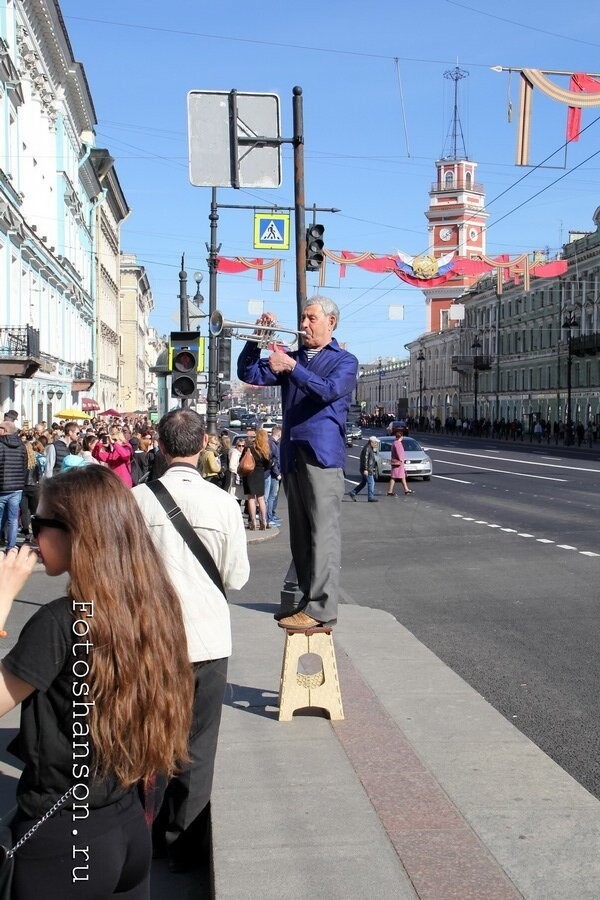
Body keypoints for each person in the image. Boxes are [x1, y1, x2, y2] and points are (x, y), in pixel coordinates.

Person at [0, 466, 193, 898]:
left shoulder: (59, 623)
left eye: (39, 523)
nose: (31, 536)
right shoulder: (150, 606)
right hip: (126, 824)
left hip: (64, 840)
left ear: (74, 533)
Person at [132, 409, 249, 873]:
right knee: (199, 745)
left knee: (150, 739)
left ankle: (144, 835)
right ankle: (183, 841)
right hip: (207, 641)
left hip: (151, 641)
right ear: (203, 446)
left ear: (160, 446)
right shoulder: (222, 504)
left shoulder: (136, 500)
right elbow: (237, 577)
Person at [237, 295, 358, 630]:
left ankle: (321, 609)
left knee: (324, 535)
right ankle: (305, 601)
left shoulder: (344, 361)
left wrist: (293, 368)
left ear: (331, 322)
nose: (303, 325)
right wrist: (256, 340)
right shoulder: (294, 357)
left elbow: (328, 391)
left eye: (311, 318)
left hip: (321, 455)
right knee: (301, 537)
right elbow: (248, 371)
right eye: (302, 318)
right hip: (292, 453)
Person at [0, 420, 27, 550]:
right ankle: (10, 546)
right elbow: (25, 464)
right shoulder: (21, 445)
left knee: (2, 517)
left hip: (2, 486)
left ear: (5, 430)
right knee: (13, 518)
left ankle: (4, 542)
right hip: (16, 487)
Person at [242, 428, 271, 530]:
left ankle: (253, 521)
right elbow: (269, 463)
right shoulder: (265, 449)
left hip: (249, 473)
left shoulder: (249, 448)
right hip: (260, 474)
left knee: (251, 498)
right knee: (261, 499)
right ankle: (264, 521)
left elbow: (242, 460)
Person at [19, 441, 41, 542]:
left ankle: (26, 534)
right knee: (34, 512)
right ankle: (36, 534)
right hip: (34, 488)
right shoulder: (36, 462)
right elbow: (39, 475)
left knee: (24, 512)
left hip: (23, 488)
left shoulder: (20, 461)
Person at [349, 436, 379, 502]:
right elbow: (365, 459)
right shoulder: (367, 448)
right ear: (371, 442)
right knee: (371, 483)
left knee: (363, 483)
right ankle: (370, 497)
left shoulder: (370, 448)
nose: (376, 444)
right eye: (375, 443)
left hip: (367, 468)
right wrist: (366, 469)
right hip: (367, 469)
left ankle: (353, 493)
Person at [386, 429, 412, 497]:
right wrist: (402, 460)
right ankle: (390, 491)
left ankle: (406, 490)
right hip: (398, 463)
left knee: (398, 477)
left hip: (396, 462)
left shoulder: (394, 442)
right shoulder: (398, 443)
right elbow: (399, 453)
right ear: (401, 437)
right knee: (395, 477)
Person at [265, 425, 282, 526]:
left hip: (274, 473)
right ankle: (269, 517)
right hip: (273, 474)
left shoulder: (273, 443)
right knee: (271, 497)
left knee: (272, 496)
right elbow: (273, 461)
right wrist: (278, 473)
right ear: (279, 434)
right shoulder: (272, 444)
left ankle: (271, 516)